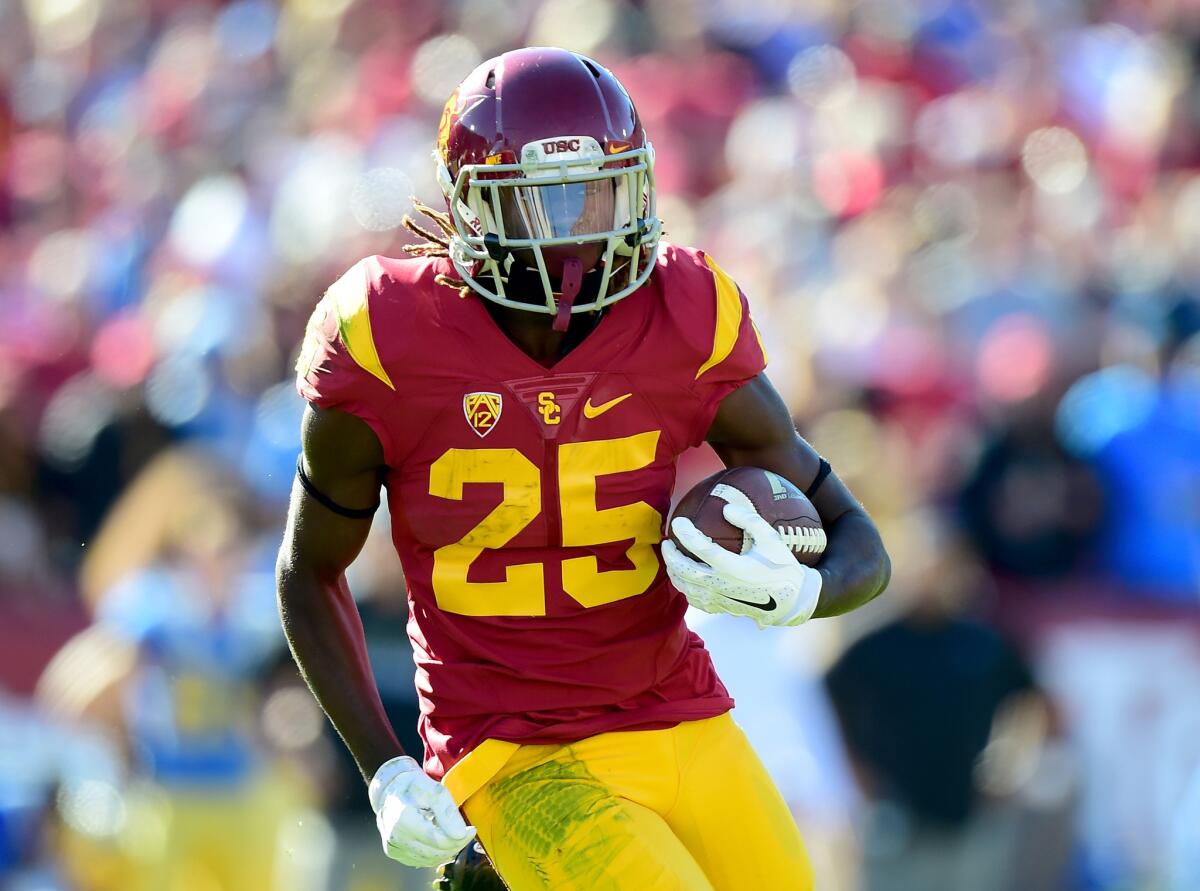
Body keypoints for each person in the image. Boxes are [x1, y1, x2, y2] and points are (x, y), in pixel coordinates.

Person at [276, 46, 890, 891]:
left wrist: (806, 592)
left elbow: (860, 541)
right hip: (514, 749)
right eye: (545, 200)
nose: (582, 227)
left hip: (681, 714)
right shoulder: (384, 334)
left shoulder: (686, 312)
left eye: (598, 191)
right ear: (470, 208)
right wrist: (384, 766)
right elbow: (309, 573)